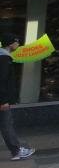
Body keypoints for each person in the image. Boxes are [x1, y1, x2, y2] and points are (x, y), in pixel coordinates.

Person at [0, 33, 34, 161]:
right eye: (17, 41)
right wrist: (3, 101)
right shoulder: (4, 59)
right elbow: (2, 81)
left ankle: (16, 150)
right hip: (2, 100)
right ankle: (16, 151)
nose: (18, 44)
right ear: (10, 43)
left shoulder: (4, 57)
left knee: (6, 124)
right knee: (6, 125)